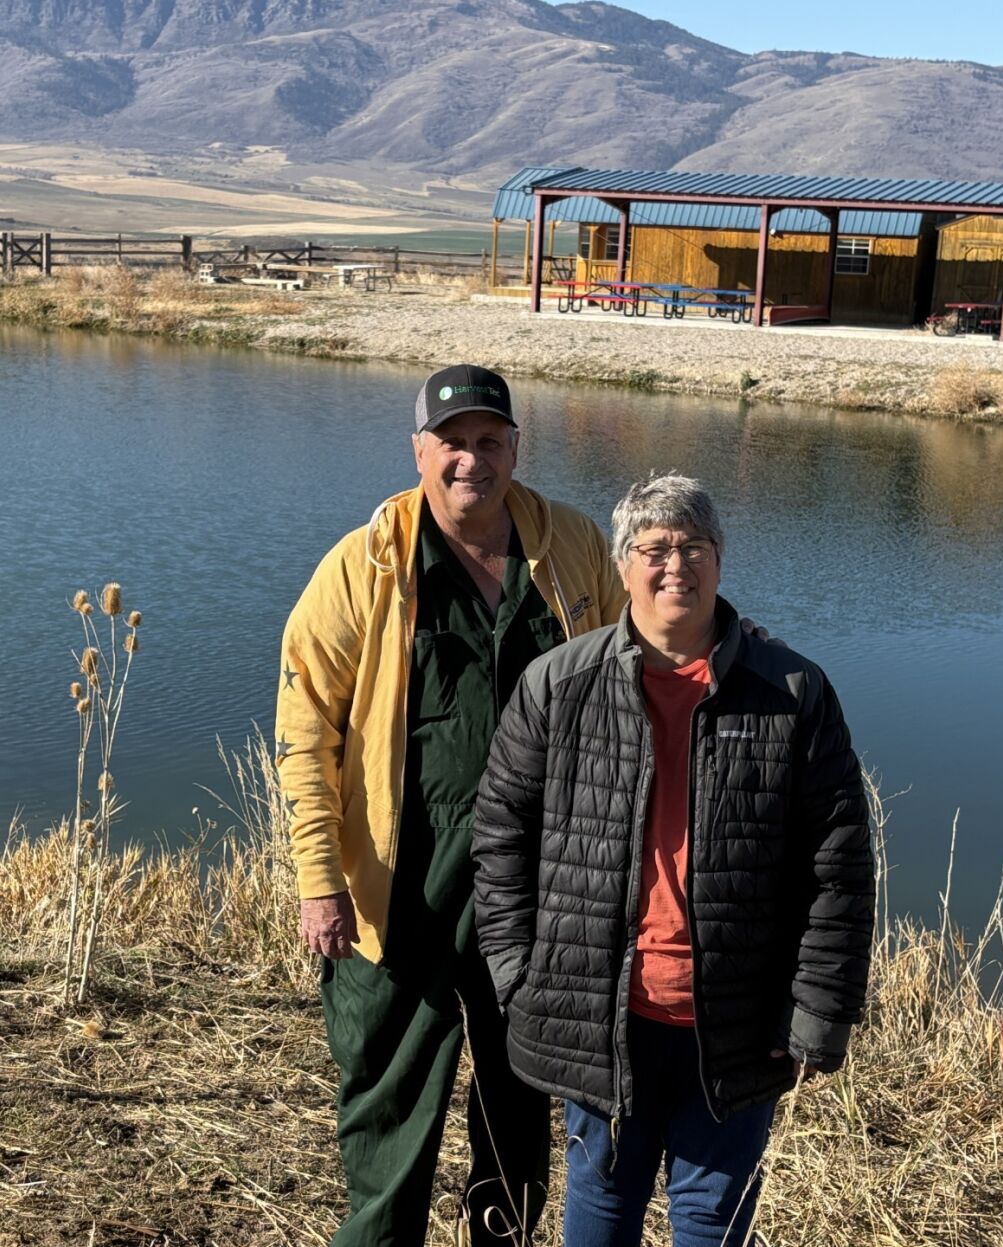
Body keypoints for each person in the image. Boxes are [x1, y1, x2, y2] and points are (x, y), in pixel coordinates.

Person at [471, 472, 875, 1247]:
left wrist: (818, 1012)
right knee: (600, 1199)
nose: (675, 566)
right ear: (622, 564)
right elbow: (499, 835)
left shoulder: (792, 691)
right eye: (654, 548)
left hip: (737, 1020)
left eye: (694, 546)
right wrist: (520, 973)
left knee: (714, 1219)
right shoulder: (559, 684)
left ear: (720, 560)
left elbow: (840, 866)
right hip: (598, 1009)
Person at [274, 363, 627, 1247]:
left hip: (541, 891)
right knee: (387, 1110)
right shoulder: (363, 567)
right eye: (452, 442)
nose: (471, 460)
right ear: (418, 451)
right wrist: (320, 877)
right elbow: (305, 729)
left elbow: (646, 650)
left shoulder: (573, 548)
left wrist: (730, 642)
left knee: (519, 1108)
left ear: (516, 448)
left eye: (489, 441)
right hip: (403, 889)